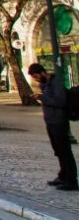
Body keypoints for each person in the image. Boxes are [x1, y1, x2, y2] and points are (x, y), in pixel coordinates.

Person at [28, 63, 77, 191]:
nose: (36, 79)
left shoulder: (56, 83)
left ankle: (71, 180)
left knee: (65, 151)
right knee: (59, 151)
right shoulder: (46, 84)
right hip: (51, 122)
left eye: (36, 76)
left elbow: (60, 101)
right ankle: (62, 176)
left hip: (59, 121)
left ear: (43, 72)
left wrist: (42, 97)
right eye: (34, 78)